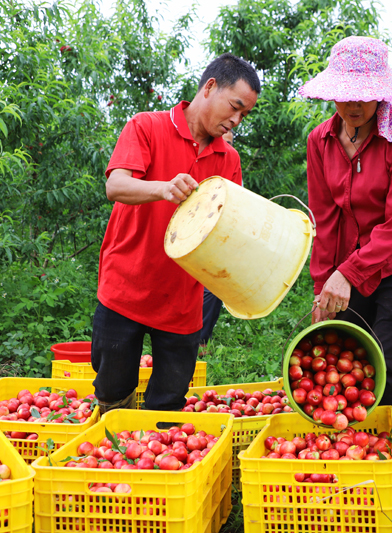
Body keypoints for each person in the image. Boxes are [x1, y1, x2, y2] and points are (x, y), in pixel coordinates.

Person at [92, 54, 260, 414]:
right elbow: (116, 186)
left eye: (244, 115)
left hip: (182, 301)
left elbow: (227, 227)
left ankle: (157, 463)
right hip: (126, 289)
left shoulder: (227, 159)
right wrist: (163, 189)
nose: (236, 120)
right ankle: (112, 459)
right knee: (112, 392)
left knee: (167, 403)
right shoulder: (146, 126)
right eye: (235, 107)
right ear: (210, 87)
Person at [298, 36, 392, 415]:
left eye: (364, 94)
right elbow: (325, 218)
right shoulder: (321, 141)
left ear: (380, 93)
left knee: (386, 359)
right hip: (356, 255)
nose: (354, 104)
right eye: (345, 94)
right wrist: (324, 285)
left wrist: (347, 274)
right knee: (349, 346)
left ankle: (378, 449)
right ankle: (344, 440)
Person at [198, 129, 235, 348]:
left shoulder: (230, 165)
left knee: (212, 291)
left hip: (214, 245)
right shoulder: (205, 167)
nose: (226, 148)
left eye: (230, 143)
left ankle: (200, 341)